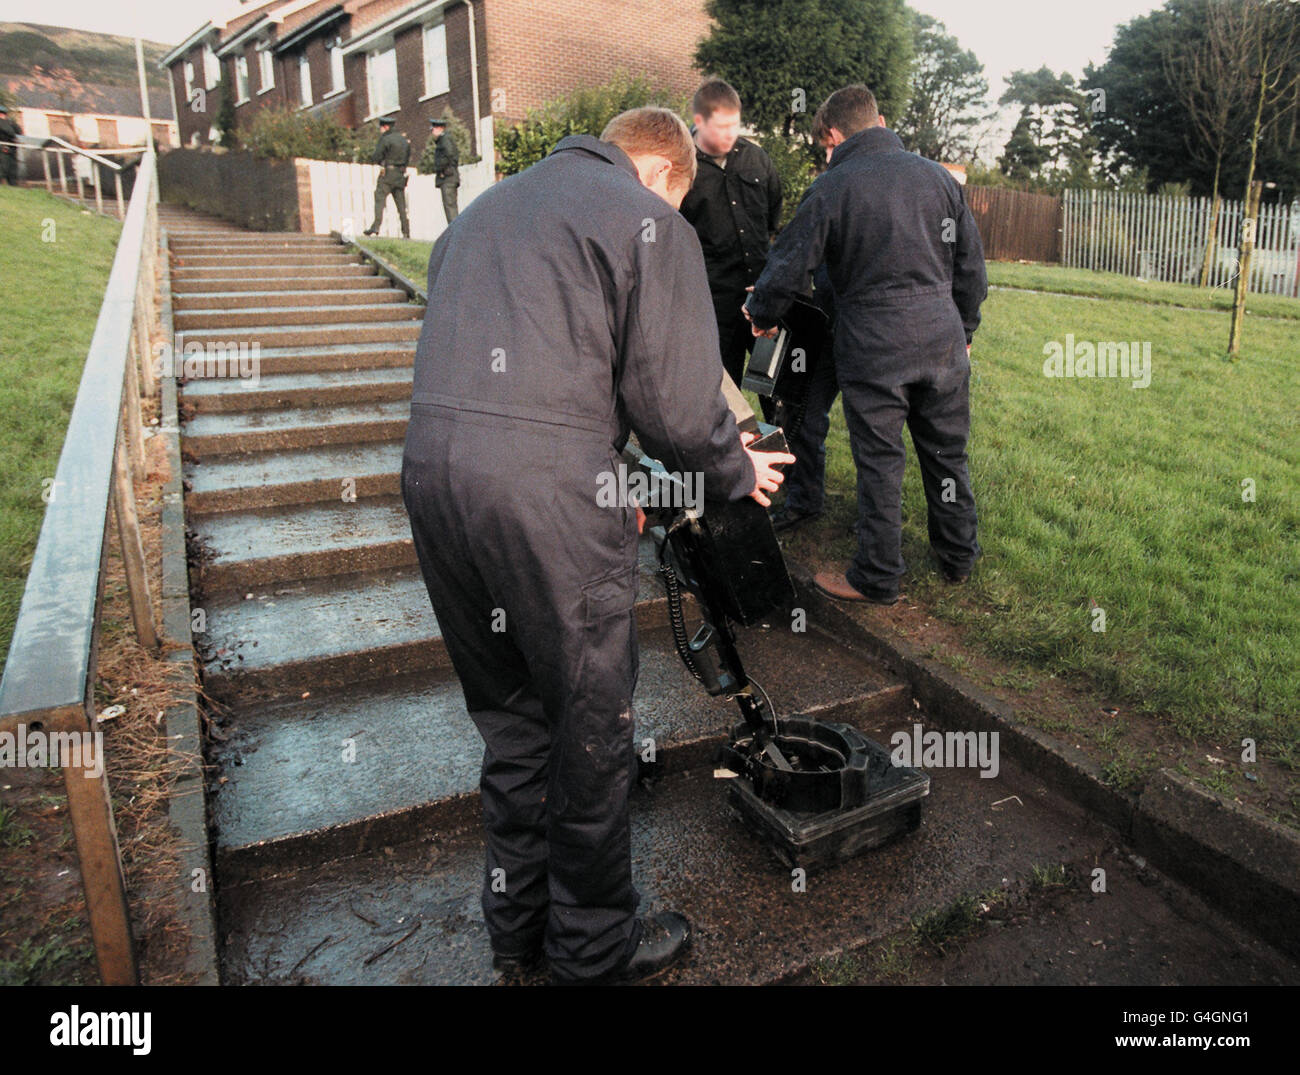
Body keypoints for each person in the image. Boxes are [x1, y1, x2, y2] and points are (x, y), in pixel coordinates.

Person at [401, 107, 793, 984]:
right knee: (588, 732)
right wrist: (736, 470)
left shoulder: (482, 213)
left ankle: (518, 931)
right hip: (544, 503)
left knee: (513, 725)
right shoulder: (644, 220)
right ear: (660, 172)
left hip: (434, 478)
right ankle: (592, 948)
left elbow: (541, 376)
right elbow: (675, 404)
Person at [745, 85, 987, 605]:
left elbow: (789, 264)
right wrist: (964, 330)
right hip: (941, 339)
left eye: (824, 144)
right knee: (947, 451)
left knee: (880, 459)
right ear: (878, 120)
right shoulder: (938, 178)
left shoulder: (833, 186)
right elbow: (971, 267)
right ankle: (959, 556)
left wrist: (760, 314)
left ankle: (877, 576)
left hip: (875, 344)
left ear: (833, 135)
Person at [678, 80, 782, 389]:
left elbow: (772, 221)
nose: (730, 134)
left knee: (780, 390)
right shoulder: (681, 168)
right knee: (722, 394)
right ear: (699, 122)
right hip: (712, 306)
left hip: (762, 300)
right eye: (721, 126)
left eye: (734, 125)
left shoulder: (757, 160)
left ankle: (785, 437)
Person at [364, 116, 410, 237]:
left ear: (385, 127)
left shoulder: (385, 139)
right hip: (400, 175)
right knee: (401, 205)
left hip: (388, 174)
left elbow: (376, 156)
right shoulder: (403, 140)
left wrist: (379, 161)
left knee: (379, 198)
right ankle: (406, 231)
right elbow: (407, 157)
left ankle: (376, 227)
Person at [429, 117, 459, 224]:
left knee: (450, 207)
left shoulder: (445, 139)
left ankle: (455, 234)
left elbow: (449, 154)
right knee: (450, 206)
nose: (432, 132)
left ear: (440, 128)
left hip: (448, 177)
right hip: (449, 177)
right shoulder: (444, 139)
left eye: (433, 129)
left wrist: (441, 168)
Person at [0, 106, 22, 186]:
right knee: (4, 168)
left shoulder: (9, 122)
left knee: (11, 169)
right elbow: (10, 132)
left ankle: (13, 186)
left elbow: (19, 132)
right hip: (4, 148)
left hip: (10, 148)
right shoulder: (4, 122)